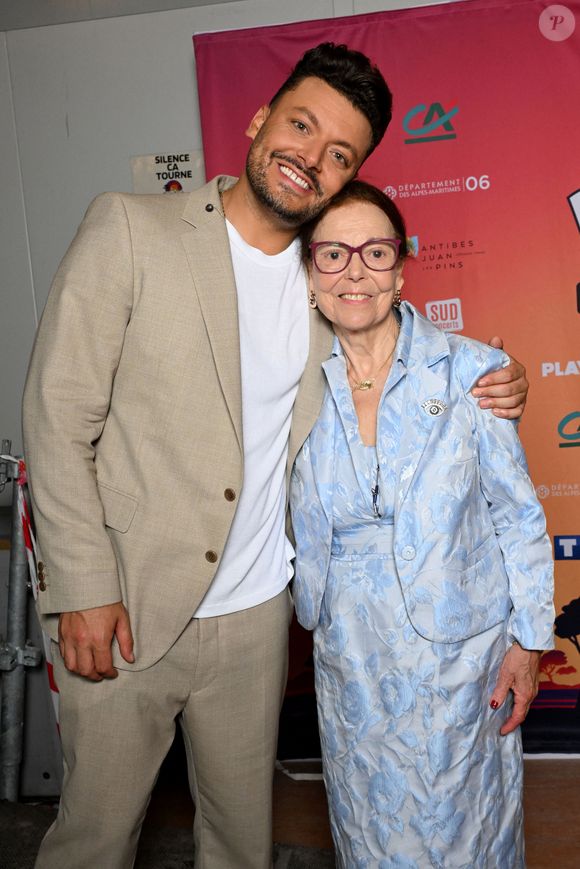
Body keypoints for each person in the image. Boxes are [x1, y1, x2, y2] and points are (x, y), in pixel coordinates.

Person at [23, 44, 528, 869]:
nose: (311, 157)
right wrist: (82, 586)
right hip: (125, 605)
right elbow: (57, 415)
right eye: (301, 125)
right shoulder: (132, 228)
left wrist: (499, 381)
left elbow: (407, 357)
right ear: (260, 121)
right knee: (95, 839)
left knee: (240, 845)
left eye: (340, 154)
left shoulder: (325, 280)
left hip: (258, 618)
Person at [290, 180, 554, 868]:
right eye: (333, 254)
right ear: (309, 272)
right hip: (351, 659)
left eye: (375, 252)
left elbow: (517, 516)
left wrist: (529, 641)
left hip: (462, 661)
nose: (354, 272)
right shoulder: (288, 385)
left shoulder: (472, 371)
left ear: (401, 269)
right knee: (369, 834)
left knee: (466, 833)